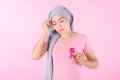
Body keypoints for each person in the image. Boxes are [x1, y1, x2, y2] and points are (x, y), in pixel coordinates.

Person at [32, 5, 98, 80]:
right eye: (54, 23)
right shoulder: (51, 39)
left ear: (69, 19)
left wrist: (83, 61)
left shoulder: (82, 38)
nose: (58, 26)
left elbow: (95, 64)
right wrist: (45, 31)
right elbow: (35, 56)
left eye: (61, 21)